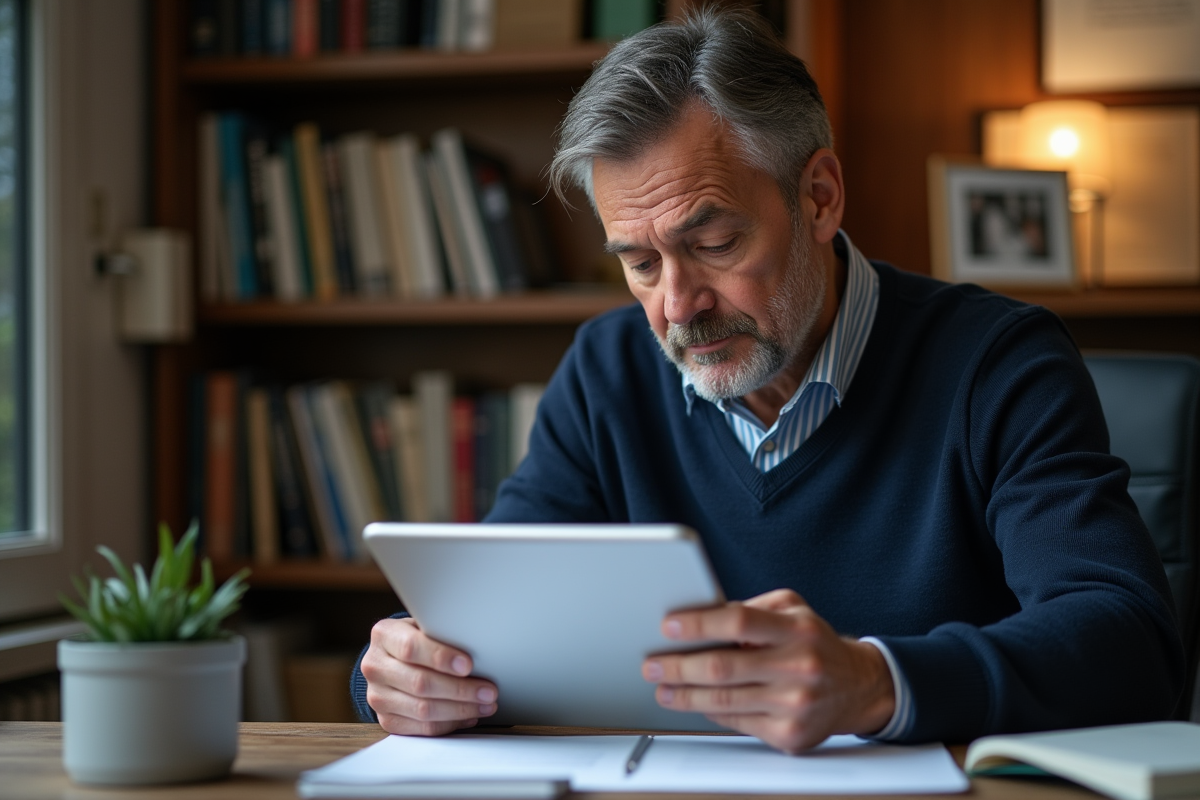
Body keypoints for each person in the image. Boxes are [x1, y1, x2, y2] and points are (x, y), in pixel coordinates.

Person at [352, 8, 1184, 752]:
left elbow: (1131, 639)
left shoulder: (1000, 362)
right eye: (640, 263)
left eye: (713, 245)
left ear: (819, 197)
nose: (678, 307)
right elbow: (493, 619)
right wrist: (403, 672)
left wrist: (875, 683)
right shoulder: (607, 369)